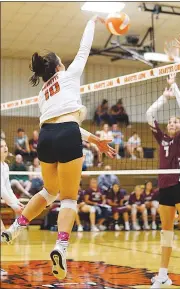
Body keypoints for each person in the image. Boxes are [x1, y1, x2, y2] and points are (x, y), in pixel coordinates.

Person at [1, 15, 115, 281]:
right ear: (59, 65)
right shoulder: (69, 74)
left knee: (50, 190)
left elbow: (62, 120)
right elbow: (84, 48)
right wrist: (93, 21)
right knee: (68, 198)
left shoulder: (42, 93)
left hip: (45, 137)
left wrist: (95, 139)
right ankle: (61, 245)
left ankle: (17, 226)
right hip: (66, 133)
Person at [146, 73, 180, 289]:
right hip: (164, 189)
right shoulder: (161, 139)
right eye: (169, 121)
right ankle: (163, 275)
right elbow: (149, 113)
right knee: (166, 234)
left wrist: (175, 87)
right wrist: (164, 97)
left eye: (175, 121)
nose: (172, 123)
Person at [1, 138, 24, 276]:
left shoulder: (5, 166)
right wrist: (14, 206)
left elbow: (8, 187)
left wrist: (17, 201)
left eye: (5, 145)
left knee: (2, 235)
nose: (4, 148)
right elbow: (1, 190)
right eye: (1, 146)